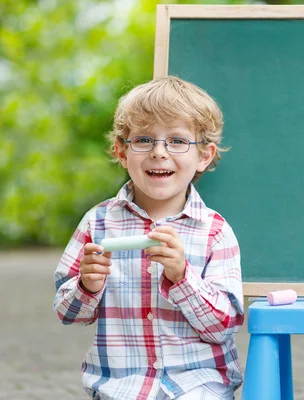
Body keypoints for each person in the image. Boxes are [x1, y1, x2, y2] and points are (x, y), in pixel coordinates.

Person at [53, 76, 244, 400]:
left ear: (204, 155)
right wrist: (87, 286)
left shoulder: (214, 231)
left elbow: (223, 326)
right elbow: (68, 313)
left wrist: (182, 277)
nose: (159, 152)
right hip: (120, 389)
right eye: (143, 140)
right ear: (122, 152)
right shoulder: (97, 223)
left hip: (198, 387)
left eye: (177, 141)